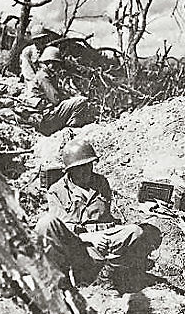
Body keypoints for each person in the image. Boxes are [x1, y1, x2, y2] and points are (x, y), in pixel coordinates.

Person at [35, 139, 162, 289]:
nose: (86, 171)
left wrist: (106, 235)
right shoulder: (57, 191)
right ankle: (60, 281)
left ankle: (107, 275)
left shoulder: (101, 182)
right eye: (80, 167)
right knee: (46, 223)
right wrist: (90, 237)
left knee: (137, 231)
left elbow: (107, 217)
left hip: (104, 241)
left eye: (89, 165)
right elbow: (63, 228)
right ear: (70, 170)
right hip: (78, 246)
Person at [20, 46, 93, 136]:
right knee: (81, 101)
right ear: (46, 63)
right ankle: (71, 129)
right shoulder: (43, 76)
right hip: (45, 118)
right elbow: (56, 99)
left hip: (46, 115)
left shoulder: (48, 75)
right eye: (51, 63)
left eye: (56, 63)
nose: (54, 66)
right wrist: (69, 99)